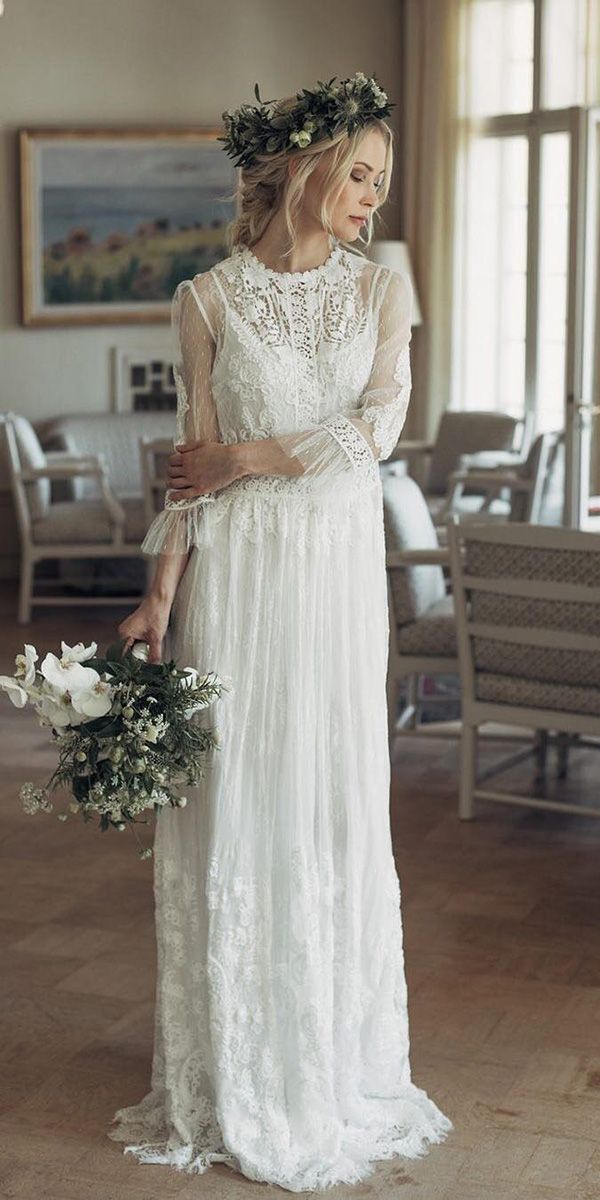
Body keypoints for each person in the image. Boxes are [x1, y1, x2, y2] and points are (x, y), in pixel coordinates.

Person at [108, 71, 453, 1192]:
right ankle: (240, 1069)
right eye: (359, 177)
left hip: (333, 577)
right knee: (243, 798)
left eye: (381, 184)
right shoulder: (205, 300)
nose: (371, 200)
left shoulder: (380, 292)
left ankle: (337, 1064)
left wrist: (246, 458)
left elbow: (379, 429)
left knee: (330, 798)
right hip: (243, 586)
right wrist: (160, 596)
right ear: (305, 169)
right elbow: (186, 470)